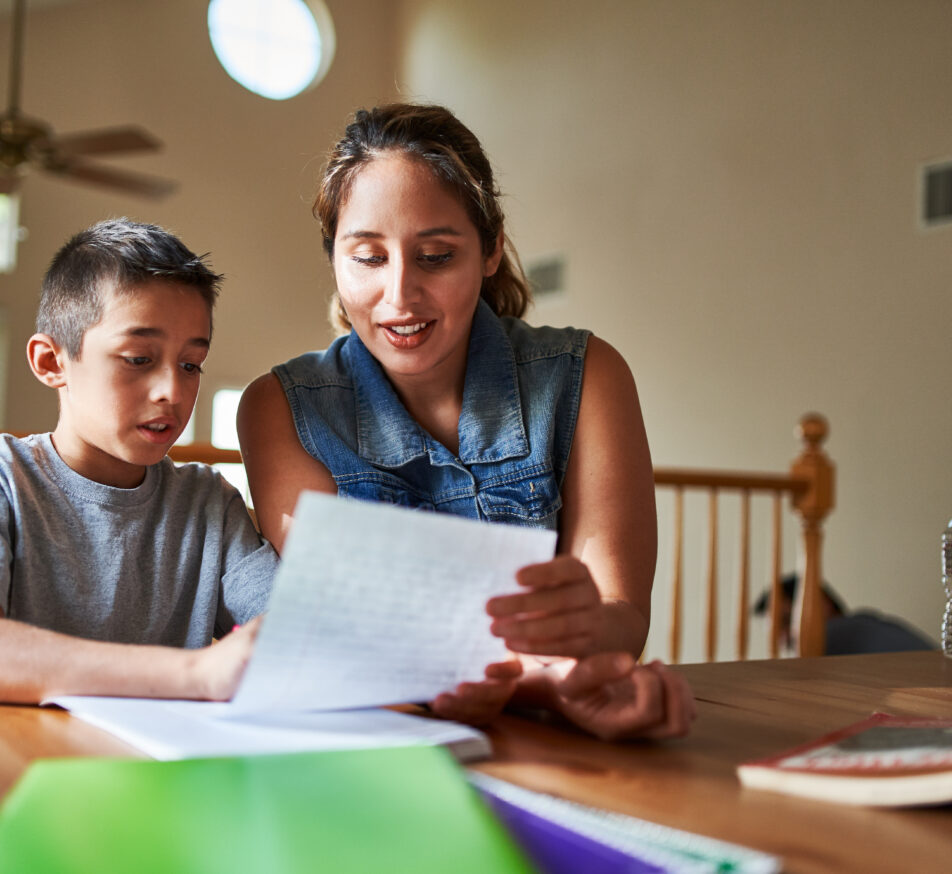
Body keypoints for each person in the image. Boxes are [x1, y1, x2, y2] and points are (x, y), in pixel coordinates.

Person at [237, 103, 695, 740]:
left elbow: (619, 614)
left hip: (554, 748)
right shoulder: (280, 409)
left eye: (435, 256)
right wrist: (546, 686)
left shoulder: (588, 375)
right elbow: (356, 637)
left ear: (489, 250)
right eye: (368, 258)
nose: (400, 297)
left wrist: (588, 638)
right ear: (334, 259)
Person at [0, 219, 278, 704]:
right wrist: (195, 672)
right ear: (52, 362)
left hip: (117, 765)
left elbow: (291, 633)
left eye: (191, 364)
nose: (172, 391)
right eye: (137, 358)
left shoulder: (208, 503)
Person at [753, 575, 935, 656]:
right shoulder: (863, 628)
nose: (784, 639)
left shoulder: (835, 633)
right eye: (775, 634)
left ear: (820, 605)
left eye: (786, 622)